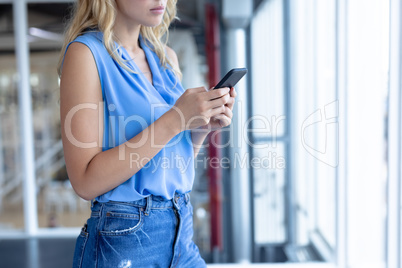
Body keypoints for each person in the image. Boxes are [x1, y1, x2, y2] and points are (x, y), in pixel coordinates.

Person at [58, 0, 236, 267]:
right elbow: (84, 182)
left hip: (181, 230)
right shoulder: (86, 54)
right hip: (125, 239)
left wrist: (198, 130)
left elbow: (169, 164)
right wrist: (176, 120)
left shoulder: (165, 56)